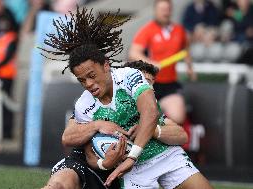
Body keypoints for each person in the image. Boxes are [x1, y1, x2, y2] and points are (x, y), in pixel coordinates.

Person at [41, 6, 212, 189]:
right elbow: (83, 147)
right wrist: (103, 162)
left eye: (91, 75)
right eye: (82, 80)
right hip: (132, 171)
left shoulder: (128, 76)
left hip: (163, 155)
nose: (88, 84)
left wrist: (134, 154)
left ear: (106, 65)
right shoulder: (84, 104)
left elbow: (150, 112)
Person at [129, 0, 196, 126]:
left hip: (169, 84)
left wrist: (189, 67)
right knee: (143, 118)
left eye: (167, 9)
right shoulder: (147, 30)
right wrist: (151, 63)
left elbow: (186, 50)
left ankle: (164, 130)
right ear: (155, 10)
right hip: (149, 84)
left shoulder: (179, 30)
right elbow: (133, 53)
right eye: (162, 9)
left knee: (178, 116)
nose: (165, 12)